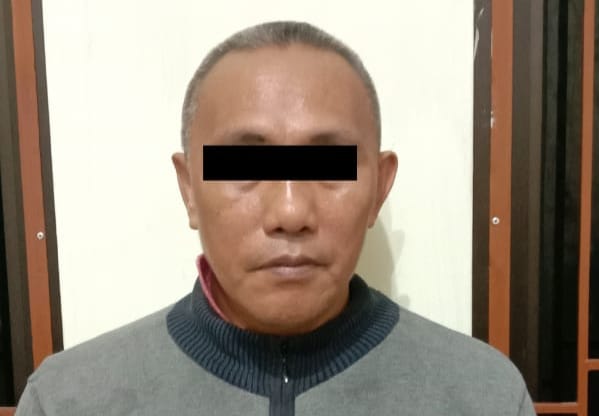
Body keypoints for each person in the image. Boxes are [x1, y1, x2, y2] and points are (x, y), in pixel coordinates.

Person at [15, 21, 535, 415]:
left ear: (379, 188)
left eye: (327, 164)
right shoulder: (67, 400)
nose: (290, 211)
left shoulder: (484, 396)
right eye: (245, 165)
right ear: (189, 189)